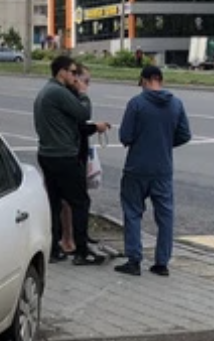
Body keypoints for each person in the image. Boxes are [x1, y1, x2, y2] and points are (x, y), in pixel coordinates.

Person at [115, 65, 192, 278]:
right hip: (163, 169)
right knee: (165, 216)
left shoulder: (137, 104)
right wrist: (165, 142)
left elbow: (125, 137)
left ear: (146, 80)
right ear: (161, 79)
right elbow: (185, 134)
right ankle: (161, 263)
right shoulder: (176, 104)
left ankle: (134, 260)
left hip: (136, 168)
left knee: (132, 212)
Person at [34, 55, 110, 265]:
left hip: (47, 154)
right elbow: (83, 113)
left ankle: (54, 249)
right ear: (62, 72)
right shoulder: (58, 92)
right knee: (80, 202)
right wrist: (82, 93)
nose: (76, 77)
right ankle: (81, 251)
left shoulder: (46, 91)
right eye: (73, 72)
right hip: (64, 155)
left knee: (55, 202)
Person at [59, 64, 94, 258]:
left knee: (73, 200)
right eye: (85, 81)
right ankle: (70, 240)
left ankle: (76, 237)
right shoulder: (72, 98)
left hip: (75, 152)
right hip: (70, 154)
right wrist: (95, 127)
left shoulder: (67, 96)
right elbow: (81, 122)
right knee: (72, 201)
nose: (87, 86)